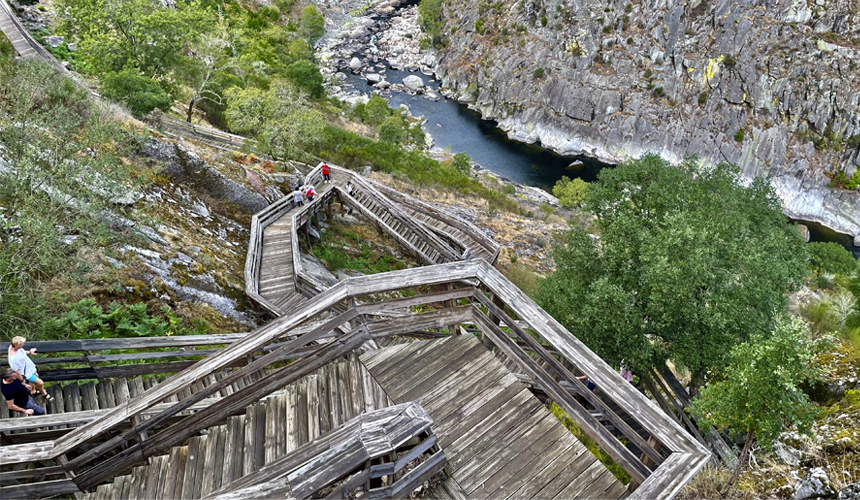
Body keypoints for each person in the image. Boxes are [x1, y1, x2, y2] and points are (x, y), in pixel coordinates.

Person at [8, 336, 51, 401]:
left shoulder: (13, 347)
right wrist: (22, 380)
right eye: (23, 343)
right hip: (26, 373)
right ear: (18, 345)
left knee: (36, 376)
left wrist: (30, 352)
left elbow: (22, 352)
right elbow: (15, 371)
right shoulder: (13, 359)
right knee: (40, 383)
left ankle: (33, 391)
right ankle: (44, 393)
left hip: (29, 366)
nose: (24, 344)